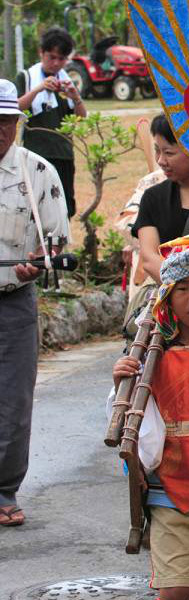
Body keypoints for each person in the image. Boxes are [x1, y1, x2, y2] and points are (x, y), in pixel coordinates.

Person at [110, 240, 189, 600]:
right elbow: (130, 419)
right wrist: (119, 380)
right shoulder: (150, 363)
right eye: (182, 289)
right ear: (167, 299)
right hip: (168, 489)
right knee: (175, 588)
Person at [0, 78, 69, 527]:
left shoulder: (38, 173)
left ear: (18, 122)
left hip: (13, 301)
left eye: (6, 121)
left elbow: (56, 246)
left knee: (13, 401)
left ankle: (4, 490)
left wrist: (37, 267)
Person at [16, 27, 87, 219]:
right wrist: (38, 89)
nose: (56, 63)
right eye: (51, 57)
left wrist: (75, 96)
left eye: (61, 59)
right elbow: (15, 108)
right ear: (41, 53)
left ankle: (59, 247)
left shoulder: (66, 81)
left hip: (63, 154)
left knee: (64, 207)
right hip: (36, 153)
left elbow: (81, 116)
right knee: (34, 206)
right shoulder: (27, 77)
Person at [132, 115, 189, 284]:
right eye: (157, 150)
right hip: (170, 295)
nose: (160, 160)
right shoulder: (153, 198)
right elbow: (150, 258)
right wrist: (182, 290)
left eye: (168, 153)